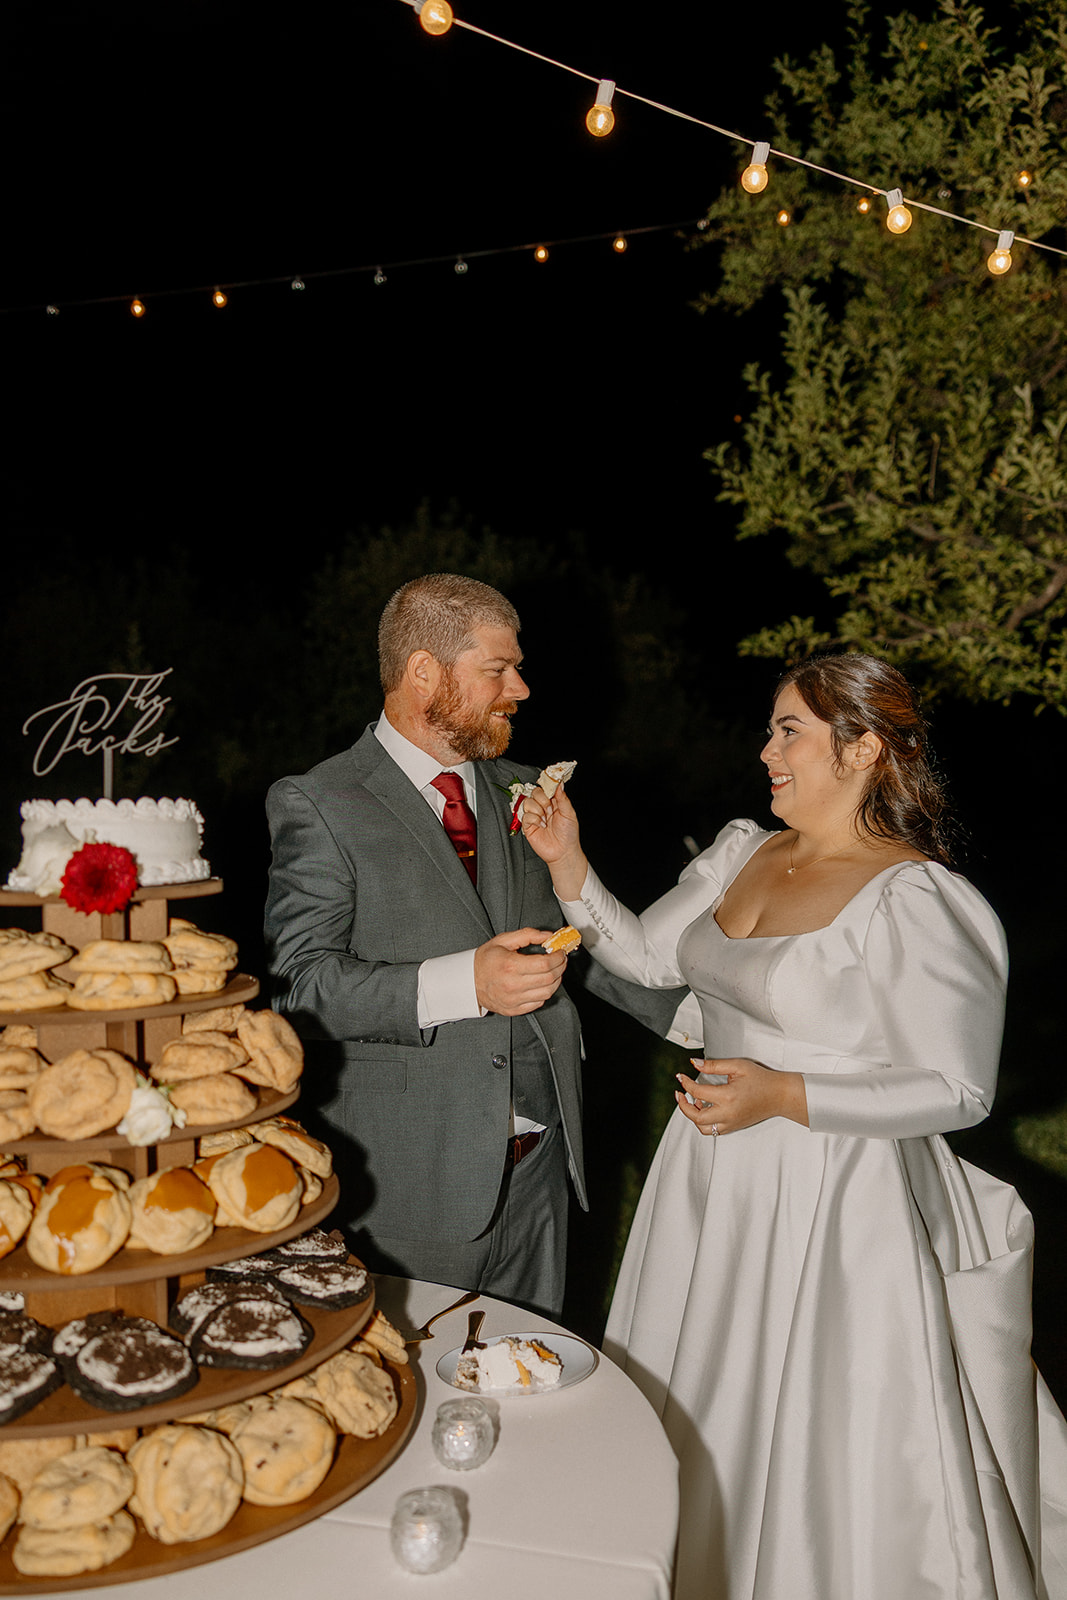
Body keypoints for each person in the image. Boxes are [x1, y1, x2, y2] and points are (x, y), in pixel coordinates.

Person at [522, 653, 1067, 1600]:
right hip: (706, 1176)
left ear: (859, 749)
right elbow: (648, 958)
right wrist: (567, 859)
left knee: (819, 1422)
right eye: (770, 728)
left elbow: (958, 1087)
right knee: (698, 1386)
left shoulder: (918, 899)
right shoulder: (741, 850)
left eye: (789, 732)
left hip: (834, 1198)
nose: (764, 749)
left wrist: (783, 1096)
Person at [264, 571, 621, 1319]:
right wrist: (468, 985)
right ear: (424, 671)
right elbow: (304, 987)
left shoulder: (525, 791)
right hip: (413, 1189)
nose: (519, 689)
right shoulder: (321, 802)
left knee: (533, 1387)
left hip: (540, 1181)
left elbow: (586, 942)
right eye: (497, 669)